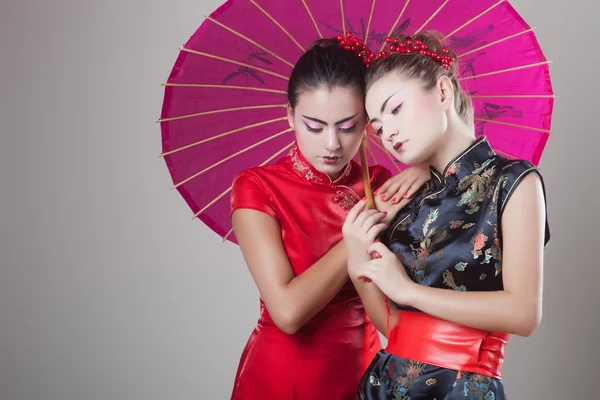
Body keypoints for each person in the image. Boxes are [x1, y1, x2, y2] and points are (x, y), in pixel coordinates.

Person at [342, 31, 550, 400]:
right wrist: (356, 251)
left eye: (395, 108)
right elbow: (392, 325)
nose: (387, 131)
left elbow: (523, 312)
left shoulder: (514, 181)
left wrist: (408, 290)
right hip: (384, 383)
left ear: (442, 92)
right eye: (376, 126)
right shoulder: (405, 200)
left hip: (462, 388)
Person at [229, 37, 431, 399]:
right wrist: (354, 240)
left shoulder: (383, 185)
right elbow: (287, 313)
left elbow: (411, 300)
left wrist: (431, 173)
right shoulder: (257, 186)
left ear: (368, 121)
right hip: (285, 379)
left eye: (348, 126)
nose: (332, 144)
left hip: (366, 373)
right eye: (315, 126)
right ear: (290, 115)